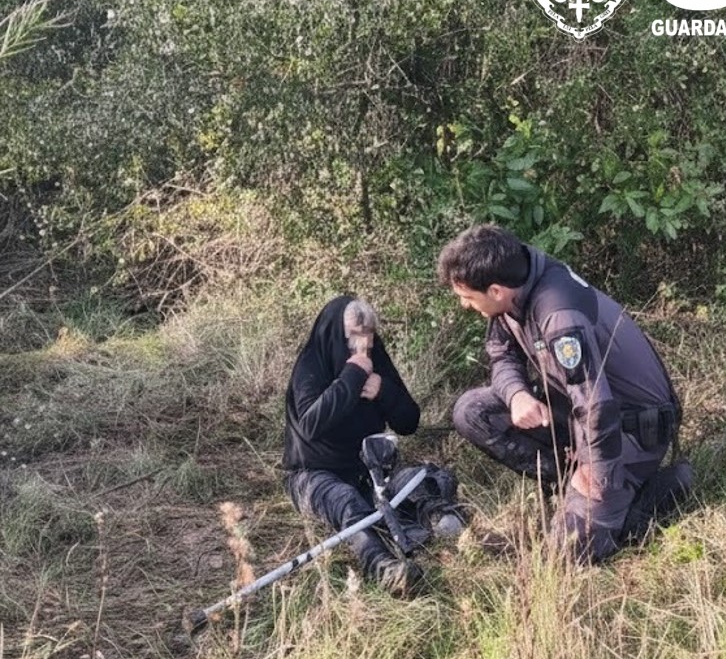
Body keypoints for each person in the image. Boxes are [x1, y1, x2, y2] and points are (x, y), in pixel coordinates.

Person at [437, 224, 691, 563]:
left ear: (495, 290)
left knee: (566, 557)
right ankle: (572, 488)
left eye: (467, 297)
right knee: (472, 411)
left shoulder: (558, 314)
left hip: (629, 429)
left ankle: (647, 500)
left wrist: (596, 476)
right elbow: (501, 354)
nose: (464, 305)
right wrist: (517, 395)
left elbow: (596, 407)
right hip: (579, 414)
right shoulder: (514, 283)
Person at [282, 295, 460, 595]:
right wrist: (352, 376)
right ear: (338, 335)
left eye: (369, 337)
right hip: (312, 474)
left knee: (421, 480)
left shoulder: (377, 361)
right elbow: (311, 425)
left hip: (370, 470)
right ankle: (385, 568)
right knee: (346, 500)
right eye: (354, 338)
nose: (363, 347)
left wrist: (384, 391)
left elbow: (409, 422)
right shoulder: (310, 366)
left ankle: (437, 518)